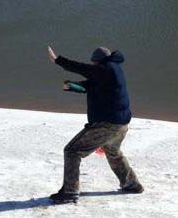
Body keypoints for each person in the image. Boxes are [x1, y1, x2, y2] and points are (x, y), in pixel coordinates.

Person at [47, 45, 144, 204]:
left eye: (93, 63)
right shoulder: (112, 70)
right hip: (121, 124)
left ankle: (70, 191)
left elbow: (82, 69)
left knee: (72, 151)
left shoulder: (106, 69)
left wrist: (58, 60)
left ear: (98, 62)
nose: (92, 65)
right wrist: (73, 86)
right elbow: (93, 85)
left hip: (107, 124)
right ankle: (131, 184)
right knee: (113, 151)